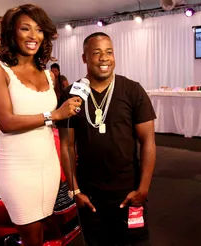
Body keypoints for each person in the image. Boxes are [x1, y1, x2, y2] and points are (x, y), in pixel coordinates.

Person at [0, 4, 82, 246]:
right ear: (11, 33)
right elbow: (6, 122)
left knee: (43, 233)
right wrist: (53, 115)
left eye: (39, 30)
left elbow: (62, 115)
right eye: (25, 28)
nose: (33, 36)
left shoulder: (48, 74)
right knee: (31, 236)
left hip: (47, 166)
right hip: (17, 169)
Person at [56, 32, 156, 246]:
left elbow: (148, 141)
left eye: (109, 52)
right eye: (96, 53)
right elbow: (66, 145)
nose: (104, 58)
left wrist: (143, 189)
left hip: (128, 193)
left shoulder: (132, 90)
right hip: (90, 197)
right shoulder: (71, 94)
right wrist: (75, 191)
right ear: (84, 58)